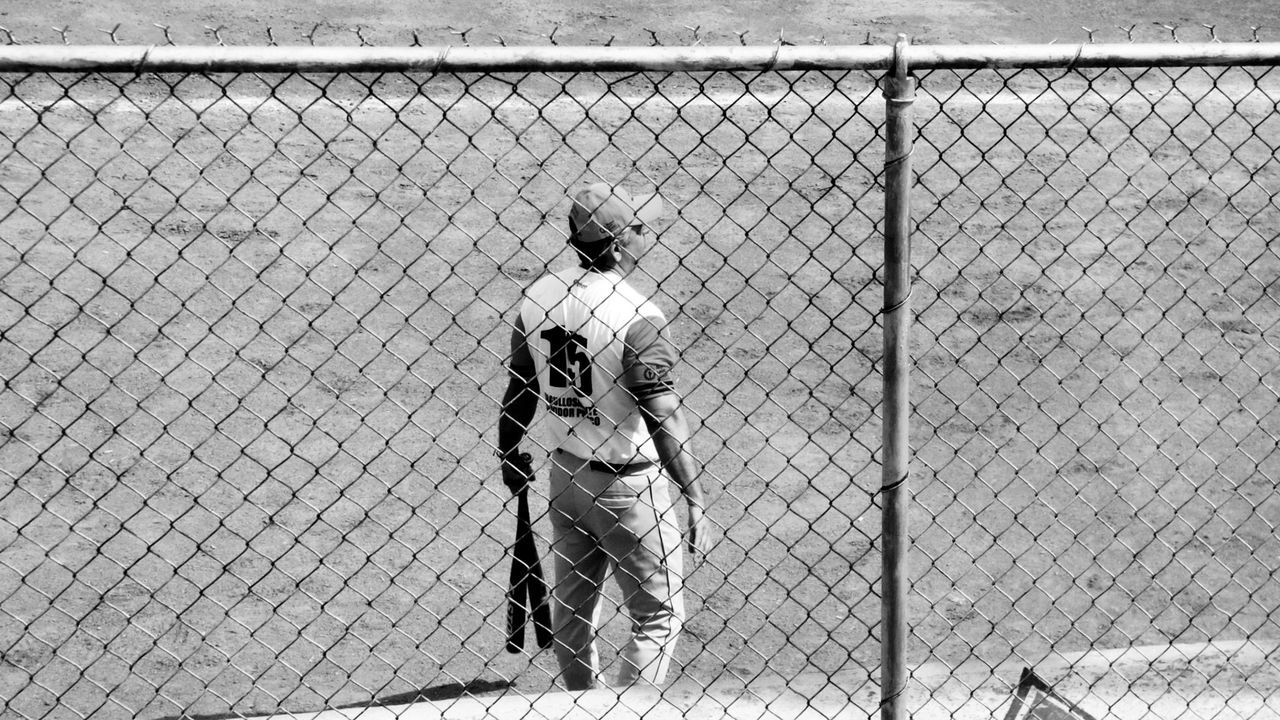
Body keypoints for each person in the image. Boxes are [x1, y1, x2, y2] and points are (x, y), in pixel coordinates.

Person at [496, 182, 713, 691]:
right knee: (657, 616)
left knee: (573, 613)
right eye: (640, 229)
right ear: (617, 244)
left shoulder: (538, 296)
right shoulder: (638, 316)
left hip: (566, 477)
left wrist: (508, 451)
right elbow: (662, 414)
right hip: (628, 489)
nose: (648, 237)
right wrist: (694, 497)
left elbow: (520, 388)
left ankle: (579, 706)